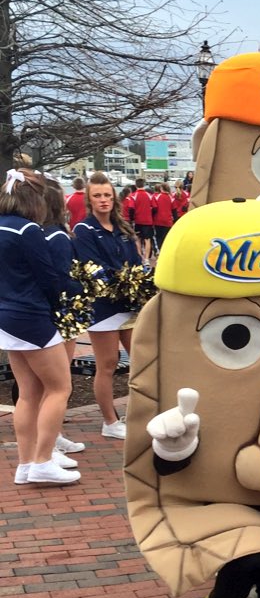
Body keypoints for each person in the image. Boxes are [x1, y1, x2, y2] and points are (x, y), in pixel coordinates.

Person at [0, 169, 79, 486]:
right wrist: (71, 290)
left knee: (29, 393)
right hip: (31, 315)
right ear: (34, 200)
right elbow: (50, 278)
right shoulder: (27, 229)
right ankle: (44, 460)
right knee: (60, 388)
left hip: (6, 316)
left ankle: (26, 463)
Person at [72, 172, 142, 439]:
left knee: (141, 359)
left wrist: (140, 280)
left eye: (107, 196)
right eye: (97, 196)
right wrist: (124, 278)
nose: (103, 201)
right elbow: (94, 267)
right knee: (108, 364)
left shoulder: (122, 227)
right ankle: (110, 422)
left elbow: (135, 261)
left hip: (129, 304)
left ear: (115, 198)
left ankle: (139, 411)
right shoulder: (84, 229)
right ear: (89, 200)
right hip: (102, 307)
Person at [40, 178, 88, 457]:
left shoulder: (41, 232)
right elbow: (61, 277)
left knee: (49, 384)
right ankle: (48, 442)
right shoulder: (56, 235)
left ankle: (54, 434)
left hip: (51, 313)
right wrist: (84, 285)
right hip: (62, 313)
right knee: (57, 383)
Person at [128, 177, 154, 264]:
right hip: (148, 220)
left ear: (136, 185)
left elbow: (131, 208)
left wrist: (132, 219)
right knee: (148, 240)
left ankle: (140, 257)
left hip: (138, 220)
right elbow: (154, 207)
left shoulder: (133, 195)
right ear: (144, 185)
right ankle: (147, 259)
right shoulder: (149, 195)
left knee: (138, 239)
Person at [152, 182, 174, 254]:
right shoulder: (171, 198)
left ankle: (160, 251)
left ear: (161, 189)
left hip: (158, 220)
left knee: (159, 237)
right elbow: (174, 210)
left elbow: (154, 208)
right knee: (166, 238)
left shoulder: (156, 197)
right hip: (168, 221)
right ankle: (166, 251)